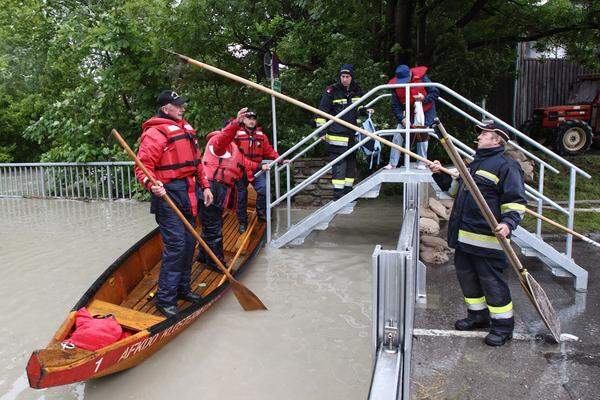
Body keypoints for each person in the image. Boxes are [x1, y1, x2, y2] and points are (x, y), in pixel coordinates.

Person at [428, 122, 527, 346]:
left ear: (497, 140)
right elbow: (455, 192)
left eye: (484, 133)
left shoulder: (506, 166)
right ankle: (478, 316)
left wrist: (508, 224)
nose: (479, 136)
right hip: (464, 238)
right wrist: (439, 175)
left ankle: (503, 327)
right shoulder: (473, 165)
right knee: (468, 280)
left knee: (492, 283)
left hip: (487, 240)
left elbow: (516, 201)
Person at [135, 90, 214, 318]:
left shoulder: (186, 130)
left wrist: (206, 186)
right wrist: (152, 186)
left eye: (182, 105)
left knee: (189, 243)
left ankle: (182, 289)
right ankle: (165, 298)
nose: (182, 108)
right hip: (168, 195)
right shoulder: (155, 133)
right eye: (177, 105)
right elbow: (142, 167)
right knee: (177, 245)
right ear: (165, 108)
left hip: (189, 192)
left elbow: (197, 163)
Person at [198, 108, 250, 269]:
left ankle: (203, 255)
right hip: (210, 188)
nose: (235, 133)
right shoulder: (217, 142)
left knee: (209, 224)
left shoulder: (232, 148)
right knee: (214, 226)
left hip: (218, 188)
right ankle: (216, 263)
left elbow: (245, 166)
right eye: (233, 129)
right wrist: (235, 123)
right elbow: (225, 137)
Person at [315, 64, 372, 200]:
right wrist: (321, 132)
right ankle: (338, 194)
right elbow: (321, 112)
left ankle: (348, 190)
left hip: (351, 133)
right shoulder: (332, 91)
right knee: (339, 163)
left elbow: (359, 108)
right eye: (343, 76)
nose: (345, 79)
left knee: (351, 162)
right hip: (336, 134)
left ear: (352, 77)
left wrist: (365, 111)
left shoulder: (357, 90)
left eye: (347, 77)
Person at [233, 110, 280, 233]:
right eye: (249, 118)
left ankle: (260, 213)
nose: (252, 121)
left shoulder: (261, 136)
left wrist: (280, 160)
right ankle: (242, 222)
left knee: (264, 189)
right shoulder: (236, 135)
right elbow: (235, 155)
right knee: (241, 197)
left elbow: (269, 151)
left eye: (254, 118)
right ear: (244, 120)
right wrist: (258, 166)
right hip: (241, 170)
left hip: (256, 170)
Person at [385, 64, 439, 170]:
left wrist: (423, 98)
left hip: (425, 111)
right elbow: (395, 106)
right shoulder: (395, 86)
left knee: (422, 135)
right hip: (408, 112)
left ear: (410, 73)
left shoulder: (422, 78)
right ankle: (392, 163)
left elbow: (435, 93)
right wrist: (402, 118)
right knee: (398, 134)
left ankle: (422, 162)